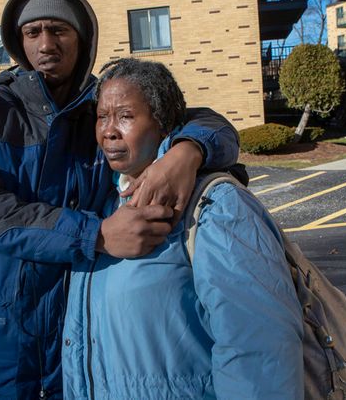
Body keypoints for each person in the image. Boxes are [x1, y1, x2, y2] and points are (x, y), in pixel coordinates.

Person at [0, 0, 241, 399]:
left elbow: (212, 124)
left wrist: (187, 152)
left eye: (59, 30)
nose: (46, 44)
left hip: (75, 357)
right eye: (33, 32)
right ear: (18, 42)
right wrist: (95, 235)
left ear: (82, 39)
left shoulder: (102, 112)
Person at [63, 58, 304, 400]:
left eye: (126, 116)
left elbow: (259, 348)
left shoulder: (216, 206)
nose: (109, 130)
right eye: (103, 116)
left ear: (163, 124)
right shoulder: (102, 203)